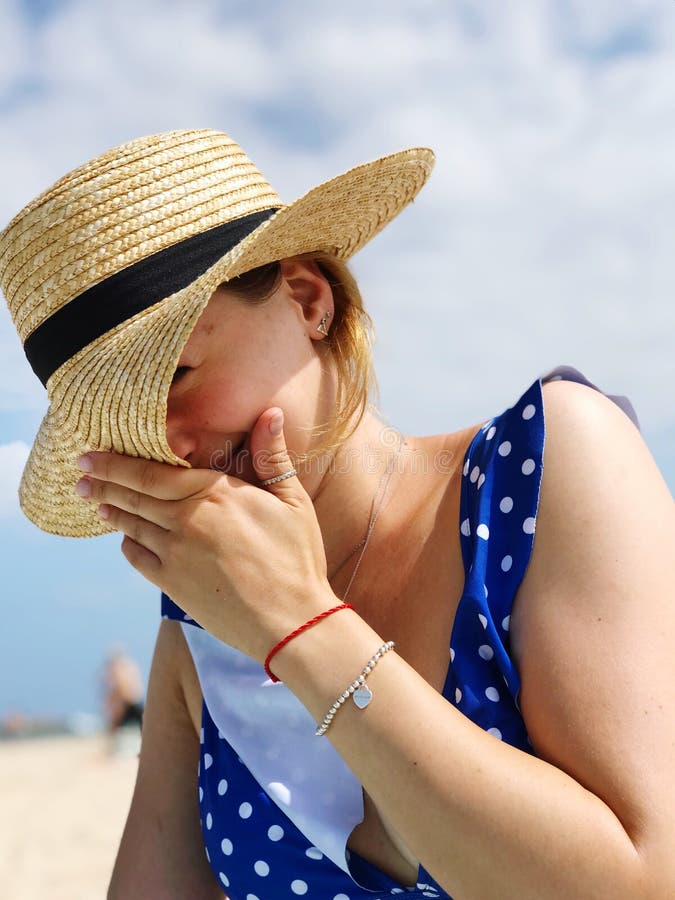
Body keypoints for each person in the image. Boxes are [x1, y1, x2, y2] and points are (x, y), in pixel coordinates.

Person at [0, 129, 673, 900]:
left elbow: (642, 882)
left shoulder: (548, 461)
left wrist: (299, 624)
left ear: (307, 299)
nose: (167, 443)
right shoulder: (197, 619)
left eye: (176, 375)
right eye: (123, 427)